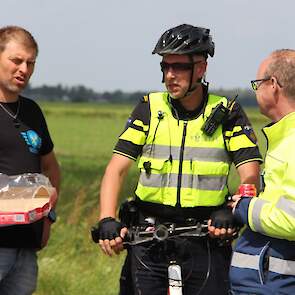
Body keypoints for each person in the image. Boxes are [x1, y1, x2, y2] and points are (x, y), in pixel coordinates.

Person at [96, 24, 262, 295]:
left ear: (201, 68)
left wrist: (231, 211)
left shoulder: (227, 111)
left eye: (179, 67)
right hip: (149, 241)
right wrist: (106, 219)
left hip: (206, 237)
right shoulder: (149, 108)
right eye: (165, 66)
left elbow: (250, 172)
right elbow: (116, 169)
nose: (170, 75)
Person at [0, 26, 60, 294]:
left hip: (26, 246)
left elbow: (50, 167)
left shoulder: (32, 111)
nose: (24, 69)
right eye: (16, 60)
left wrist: (49, 217)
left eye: (30, 63)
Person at [229, 49, 295, 294]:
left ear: (274, 85)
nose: (255, 90)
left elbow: (292, 218)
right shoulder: (284, 137)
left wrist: (245, 207)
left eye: (257, 83)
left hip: (276, 285)